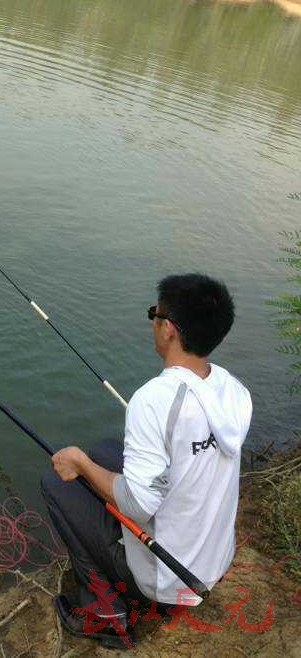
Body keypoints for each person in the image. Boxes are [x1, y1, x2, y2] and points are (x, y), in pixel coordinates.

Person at [41, 273, 252, 649]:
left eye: (155, 314)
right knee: (106, 449)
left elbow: (139, 507)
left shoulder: (153, 401)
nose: (153, 321)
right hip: (212, 563)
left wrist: (81, 465)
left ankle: (104, 612)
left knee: (60, 482)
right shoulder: (233, 390)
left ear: (169, 329)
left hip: (170, 580)